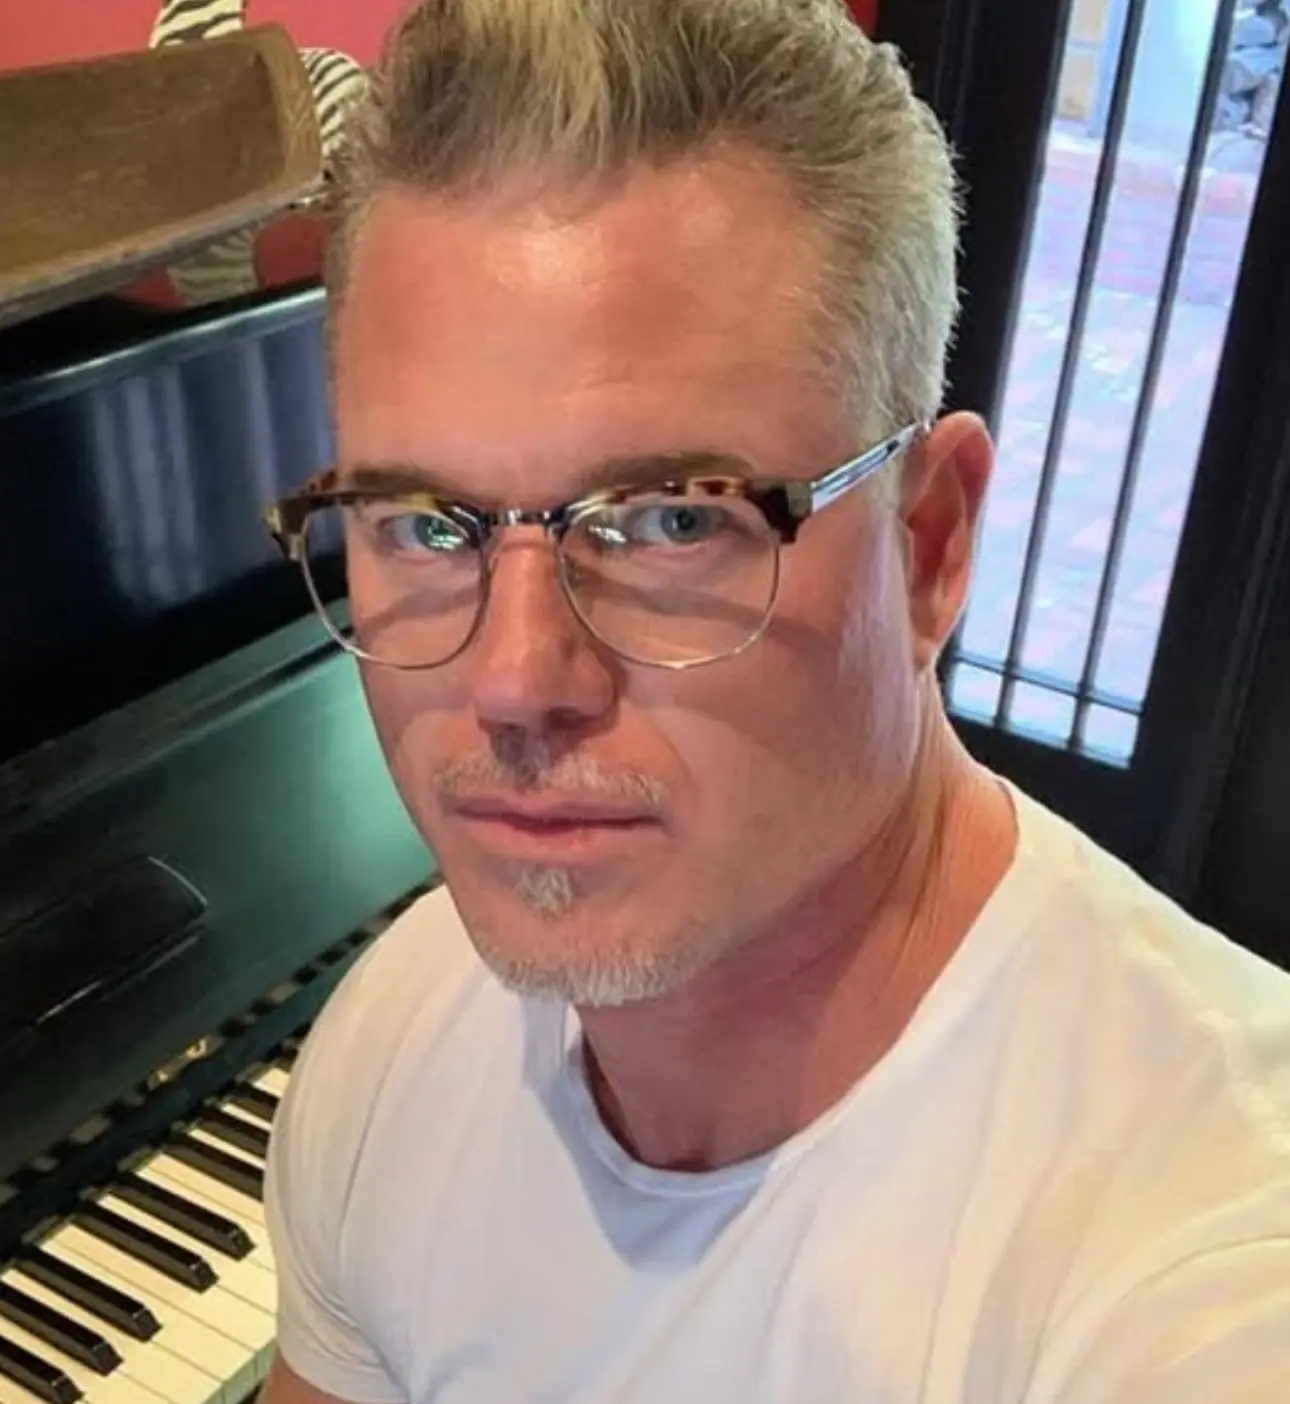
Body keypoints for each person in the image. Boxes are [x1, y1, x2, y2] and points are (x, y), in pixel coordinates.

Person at [258, 2, 1290, 1400]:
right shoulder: (398, 1035)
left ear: (928, 545)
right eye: (425, 527)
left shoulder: (1209, 1254)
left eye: (671, 521)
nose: (513, 682)